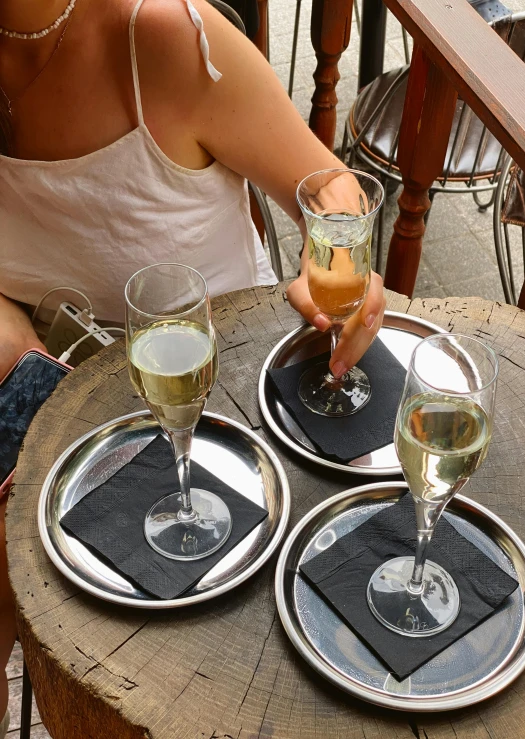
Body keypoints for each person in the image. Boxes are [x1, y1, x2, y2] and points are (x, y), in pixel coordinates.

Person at [0, 0, 386, 729]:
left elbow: (330, 185)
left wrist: (338, 252)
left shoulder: (169, 39)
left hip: (228, 431)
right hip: (52, 431)